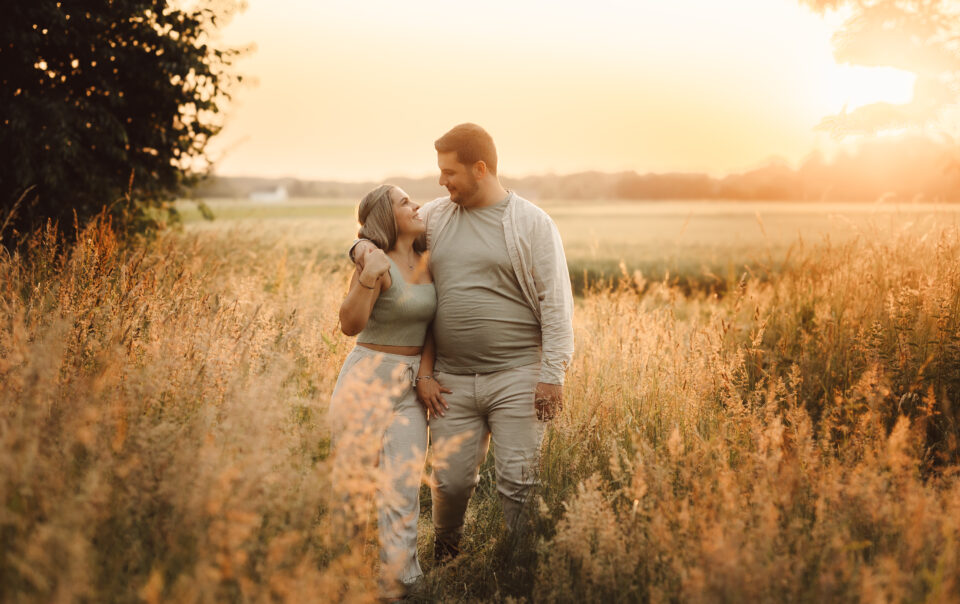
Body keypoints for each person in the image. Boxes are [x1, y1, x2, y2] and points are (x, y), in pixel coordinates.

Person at [351, 123, 575, 562]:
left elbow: (557, 304)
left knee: (519, 482)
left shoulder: (532, 223)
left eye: (449, 172)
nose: (441, 181)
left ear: (480, 169)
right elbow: (379, 236)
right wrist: (359, 251)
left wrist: (553, 376)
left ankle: (520, 565)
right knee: (450, 483)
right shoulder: (435, 218)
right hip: (451, 380)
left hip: (518, 375)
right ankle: (447, 552)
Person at [330, 184, 436, 599]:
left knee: (403, 488)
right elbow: (350, 324)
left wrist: (424, 374)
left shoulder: (429, 258)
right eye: (405, 202)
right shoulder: (374, 260)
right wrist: (367, 273)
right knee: (353, 485)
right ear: (387, 217)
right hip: (367, 379)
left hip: (410, 387)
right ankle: (345, 577)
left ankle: (401, 581)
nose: (416, 205)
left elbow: (435, 327)